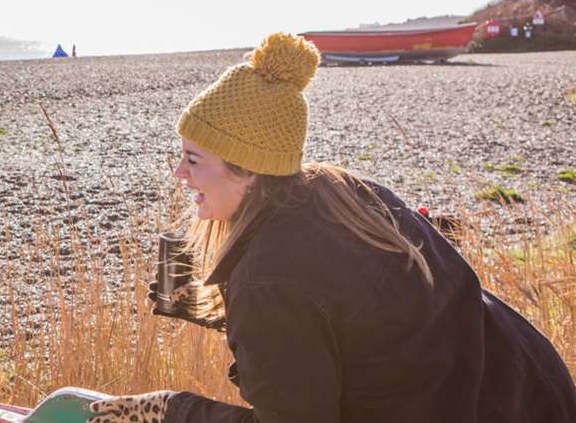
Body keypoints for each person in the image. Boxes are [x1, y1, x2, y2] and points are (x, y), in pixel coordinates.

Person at [87, 33, 576, 423]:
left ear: (250, 168)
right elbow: (365, 313)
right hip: (534, 386)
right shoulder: (344, 192)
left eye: (193, 159)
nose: (179, 173)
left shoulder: (268, 279)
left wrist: (168, 410)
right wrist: (229, 312)